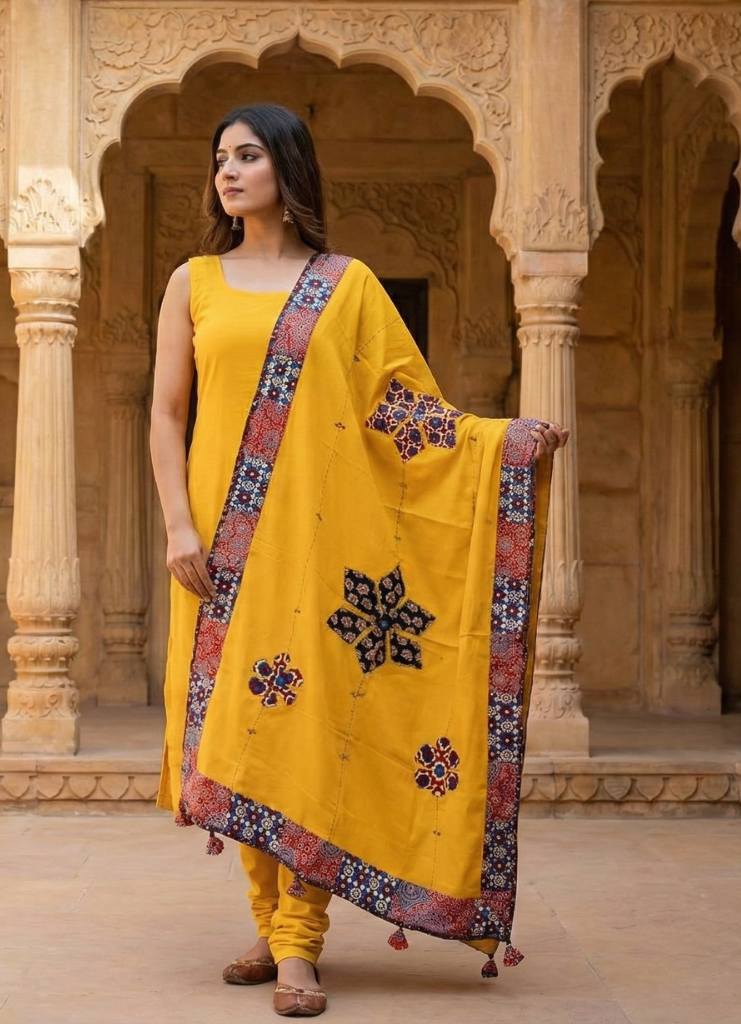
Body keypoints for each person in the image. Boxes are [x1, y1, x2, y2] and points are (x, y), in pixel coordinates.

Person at [150, 103, 568, 1018]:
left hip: (321, 551)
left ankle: (298, 946)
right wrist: (180, 526)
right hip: (221, 546)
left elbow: (407, 413)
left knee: (304, 731)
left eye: (248, 156)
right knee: (238, 731)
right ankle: (268, 923)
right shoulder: (194, 282)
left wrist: (505, 444)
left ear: (287, 170)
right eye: (220, 158)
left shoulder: (348, 288)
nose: (228, 172)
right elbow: (166, 416)